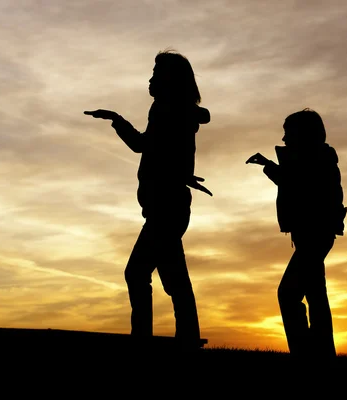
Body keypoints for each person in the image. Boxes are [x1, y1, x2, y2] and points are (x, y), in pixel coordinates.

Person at [84, 50, 211, 350]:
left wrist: (180, 172)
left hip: (167, 207)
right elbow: (145, 145)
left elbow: (171, 141)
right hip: (164, 205)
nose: (151, 77)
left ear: (171, 77)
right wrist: (117, 120)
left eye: (157, 72)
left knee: (138, 273)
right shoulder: (166, 108)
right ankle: (187, 339)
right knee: (174, 278)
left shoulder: (171, 108)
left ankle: (146, 339)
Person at [246, 108, 347, 362]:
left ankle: (306, 354)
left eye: (288, 133)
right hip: (314, 233)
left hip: (314, 234)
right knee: (315, 293)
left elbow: (295, 183)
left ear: (303, 134)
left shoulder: (316, 159)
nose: (284, 139)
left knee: (289, 294)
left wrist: (268, 165)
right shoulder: (318, 158)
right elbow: (293, 181)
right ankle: (321, 355)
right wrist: (270, 165)